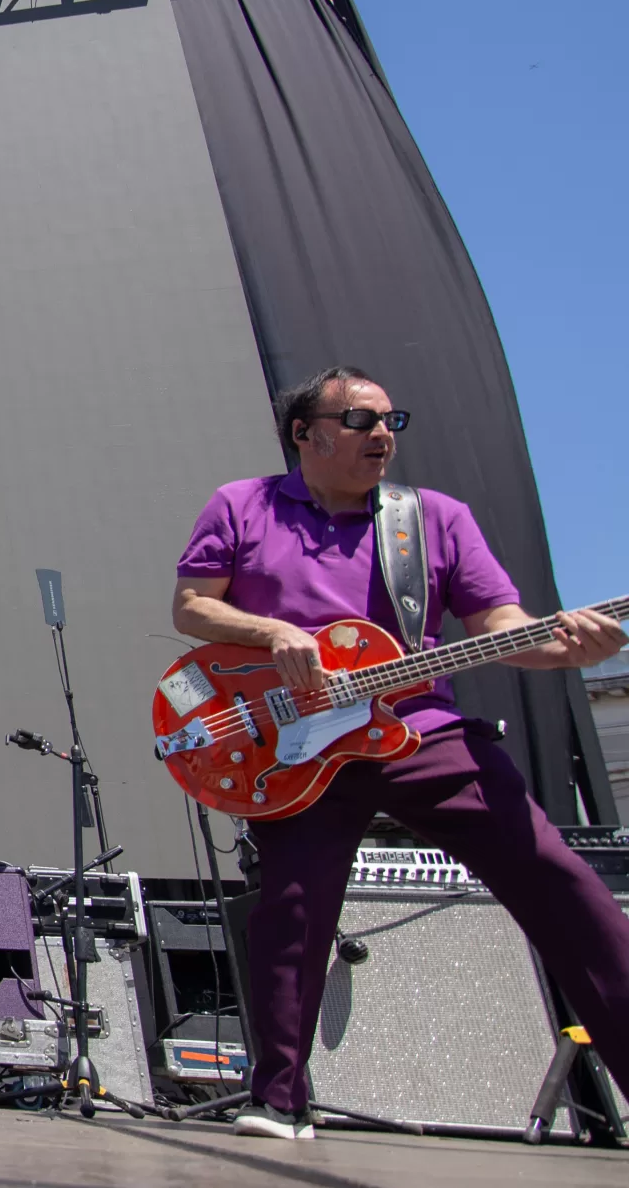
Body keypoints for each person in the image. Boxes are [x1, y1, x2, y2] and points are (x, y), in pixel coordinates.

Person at [172, 364, 628, 1141]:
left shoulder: (433, 518)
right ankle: (278, 1099)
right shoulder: (242, 505)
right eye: (359, 420)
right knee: (292, 909)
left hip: (419, 729)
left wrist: (572, 649)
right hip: (298, 745)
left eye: (391, 421)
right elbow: (191, 606)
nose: (382, 434)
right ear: (305, 433)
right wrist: (275, 632)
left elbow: (501, 627)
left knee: (558, 879)